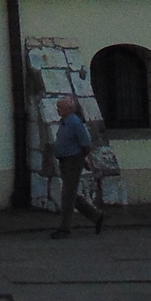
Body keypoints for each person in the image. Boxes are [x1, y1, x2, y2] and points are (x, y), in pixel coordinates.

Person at [49, 96, 105, 238]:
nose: (57, 109)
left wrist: (84, 159)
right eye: (58, 106)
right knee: (70, 193)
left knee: (68, 194)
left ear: (70, 109)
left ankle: (64, 228)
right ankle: (96, 216)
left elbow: (86, 143)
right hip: (65, 160)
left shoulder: (75, 122)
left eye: (60, 107)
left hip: (73, 161)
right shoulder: (65, 122)